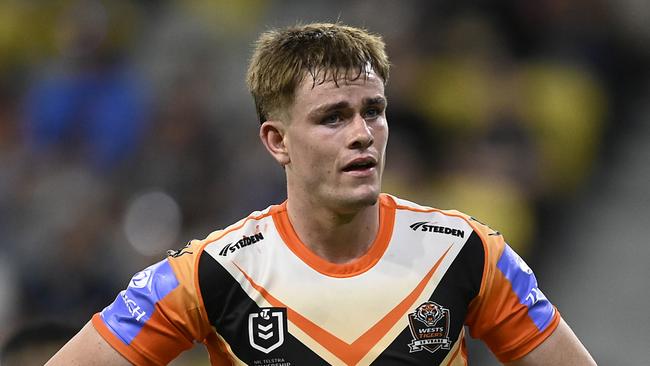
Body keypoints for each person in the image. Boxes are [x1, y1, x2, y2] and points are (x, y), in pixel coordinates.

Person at [46, 22, 596, 365]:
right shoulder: (211, 274)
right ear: (277, 140)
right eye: (333, 117)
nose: (363, 133)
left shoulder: (467, 252)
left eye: (373, 111)